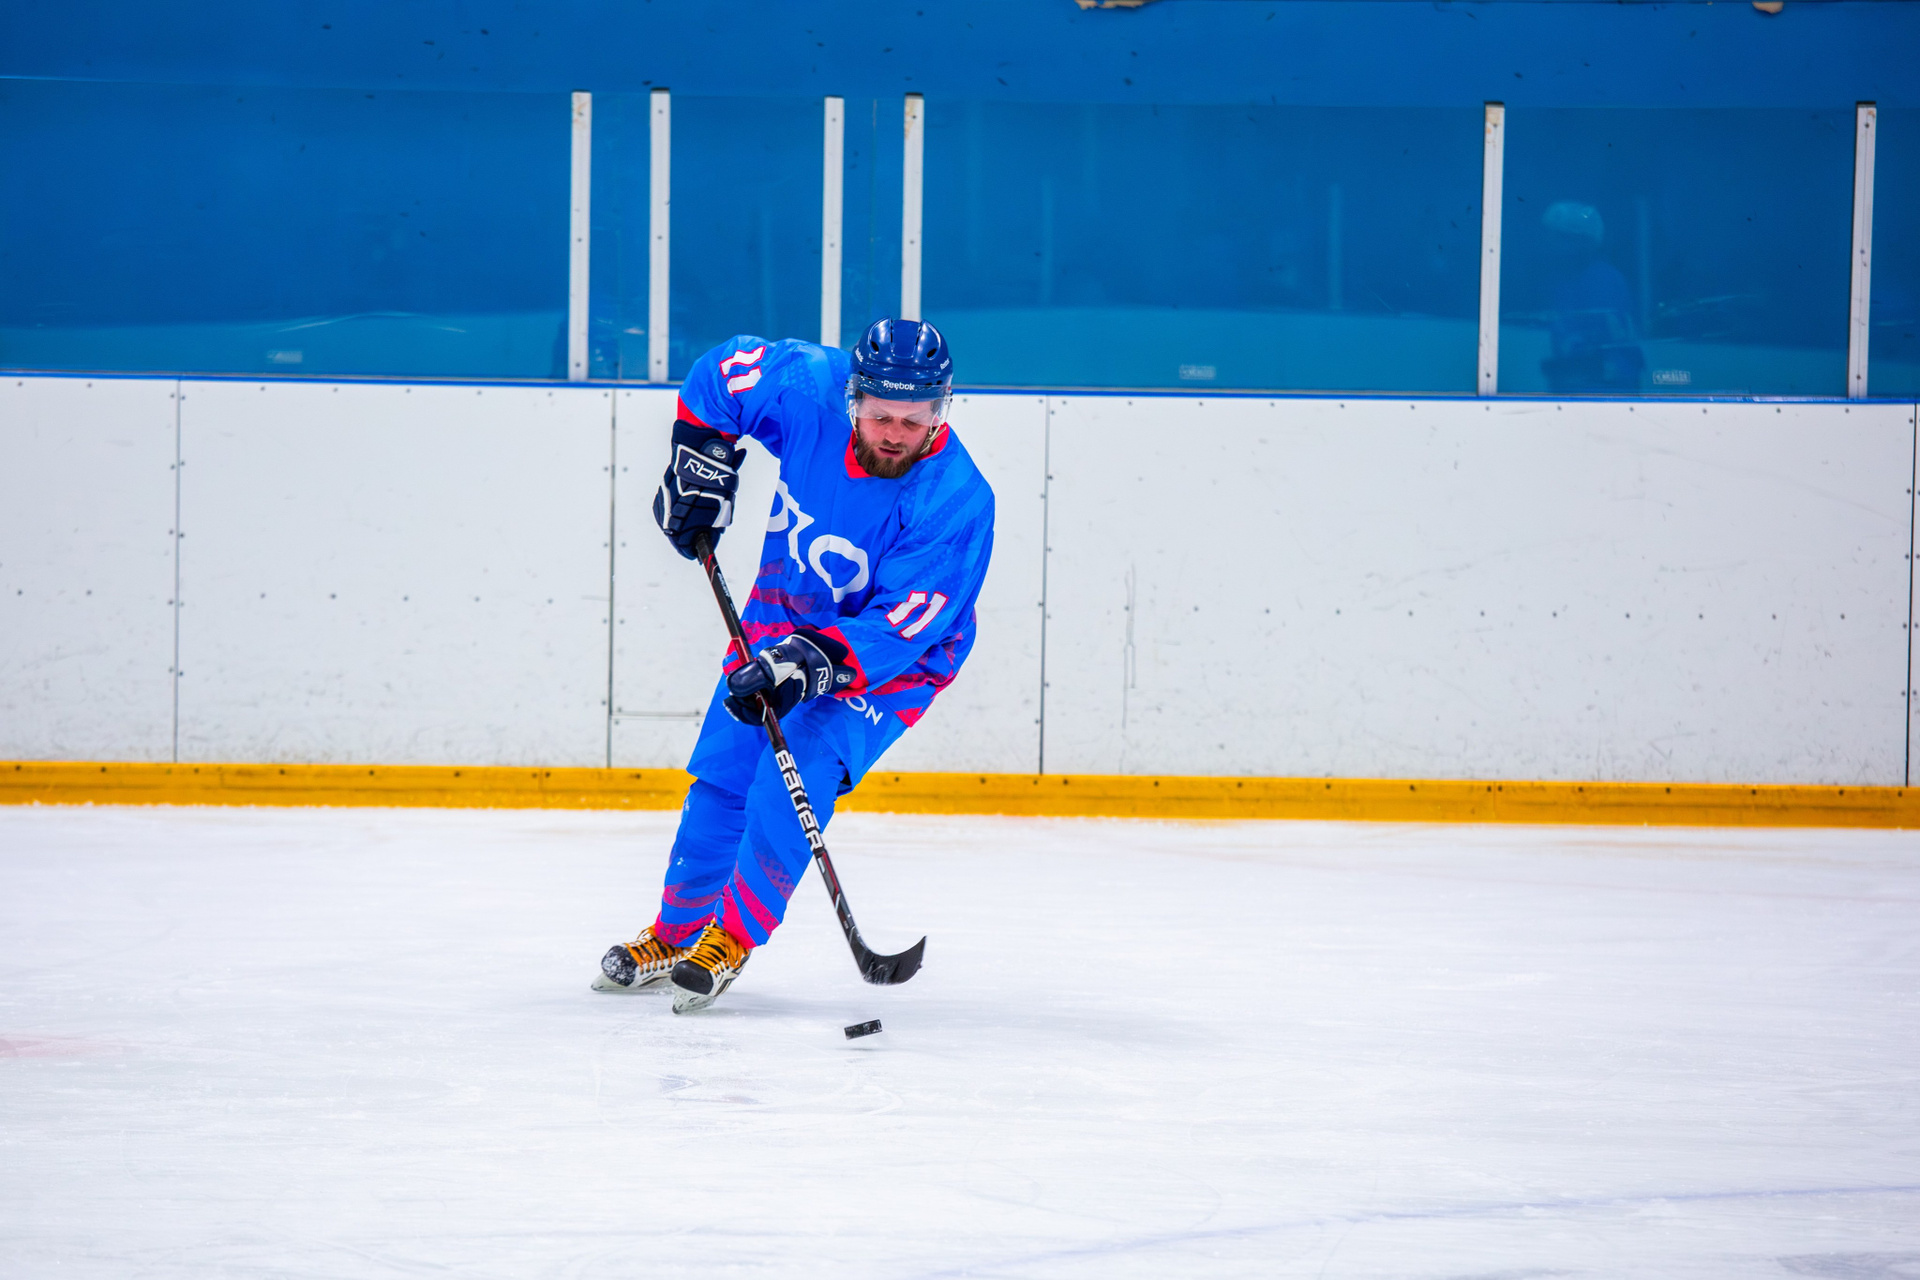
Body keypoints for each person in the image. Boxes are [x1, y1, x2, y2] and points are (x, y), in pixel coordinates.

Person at [591, 318, 996, 1013]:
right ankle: (674, 934)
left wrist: (808, 664)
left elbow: (903, 627)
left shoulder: (956, 500)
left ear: (941, 408)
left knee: (791, 779)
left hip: (893, 663)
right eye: (880, 416)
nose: (895, 434)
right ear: (853, 397)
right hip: (781, 616)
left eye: (915, 420)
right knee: (722, 778)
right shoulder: (808, 385)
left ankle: (730, 940)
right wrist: (701, 461)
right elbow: (722, 374)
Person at [1537, 201, 1645, 394]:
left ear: (1583, 242)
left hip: (1608, 389)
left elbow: (1605, 341)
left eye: (1563, 238)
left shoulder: (1604, 279)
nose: (1553, 246)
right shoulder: (1562, 282)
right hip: (1573, 384)